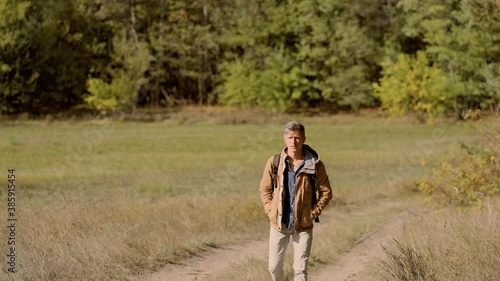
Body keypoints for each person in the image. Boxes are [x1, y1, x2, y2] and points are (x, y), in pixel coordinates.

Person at [259, 120, 333, 281]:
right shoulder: (275, 162)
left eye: (297, 138)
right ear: (285, 139)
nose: (294, 141)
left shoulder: (315, 164)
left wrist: (313, 212)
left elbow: (326, 192)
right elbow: (265, 188)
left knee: (300, 271)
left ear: (304, 139)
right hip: (279, 224)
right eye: (290, 137)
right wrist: (270, 210)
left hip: (303, 225)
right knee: (274, 267)